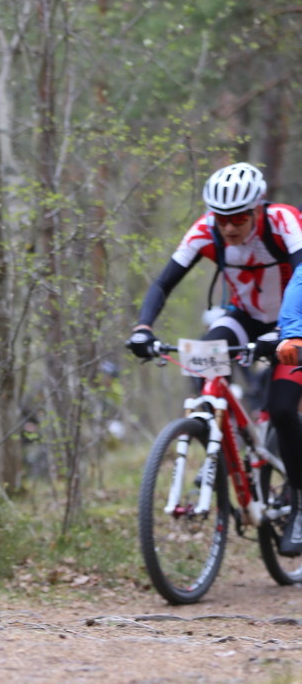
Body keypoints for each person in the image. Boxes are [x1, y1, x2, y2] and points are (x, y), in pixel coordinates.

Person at [127, 162, 302, 555]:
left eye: (238, 217)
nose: (229, 227)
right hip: (245, 318)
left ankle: (300, 501)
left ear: (258, 209)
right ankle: (211, 442)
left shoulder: (283, 221)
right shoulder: (206, 230)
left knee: (283, 409)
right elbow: (162, 282)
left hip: (294, 322)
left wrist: (290, 335)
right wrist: (143, 328)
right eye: (222, 218)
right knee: (202, 356)